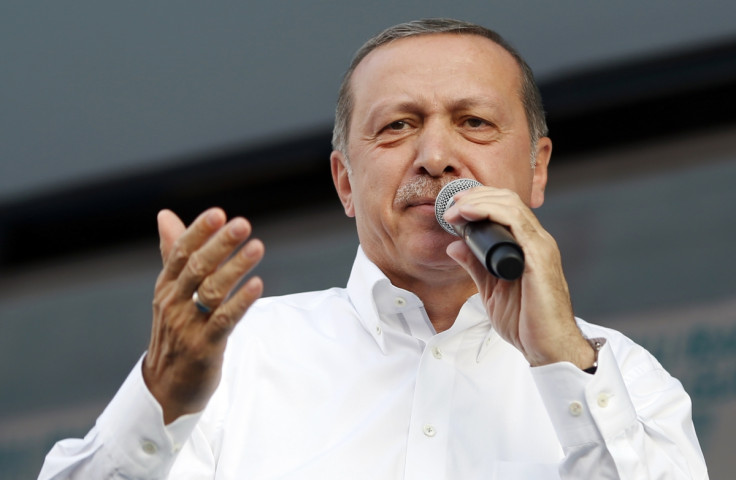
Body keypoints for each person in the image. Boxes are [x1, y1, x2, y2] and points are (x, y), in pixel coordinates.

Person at [39, 18, 708, 479]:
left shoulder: (625, 379)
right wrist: (162, 396)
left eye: (474, 122)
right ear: (345, 182)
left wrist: (563, 359)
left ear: (537, 169)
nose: (438, 155)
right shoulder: (242, 356)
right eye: (398, 126)